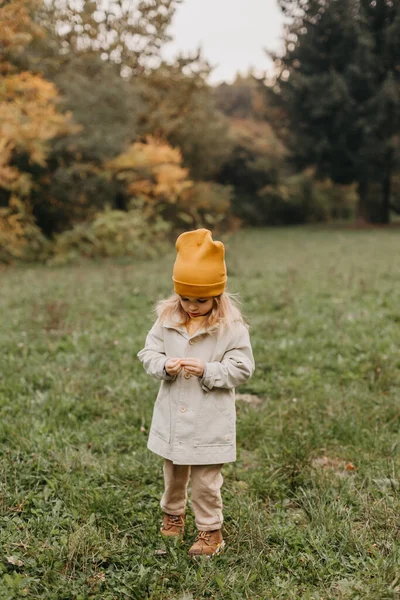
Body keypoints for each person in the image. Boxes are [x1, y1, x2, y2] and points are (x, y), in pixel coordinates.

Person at [137, 228, 255, 557]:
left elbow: (243, 367)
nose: (192, 306)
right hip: (174, 413)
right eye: (185, 298)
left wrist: (209, 370)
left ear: (217, 296)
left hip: (210, 418)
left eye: (201, 300)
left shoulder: (231, 328)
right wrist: (164, 366)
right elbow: (148, 354)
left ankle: (209, 531)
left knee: (205, 480)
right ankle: (173, 514)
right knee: (174, 472)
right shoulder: (166, 320)